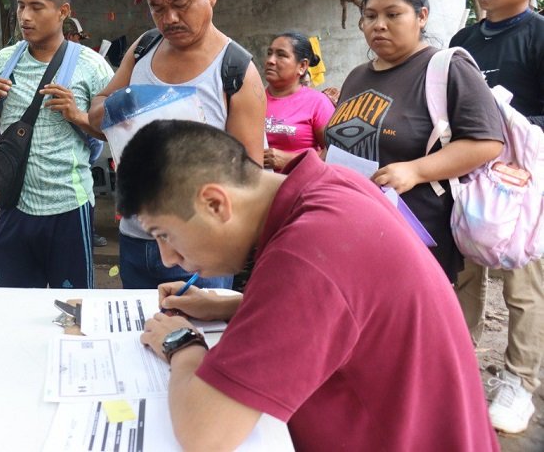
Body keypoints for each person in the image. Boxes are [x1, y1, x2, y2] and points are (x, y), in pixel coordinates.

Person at [120, 120, 498, 451]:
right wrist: (229, 306)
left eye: (164, 234)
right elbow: (354, 311)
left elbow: (206, 435)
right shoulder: (332, 184)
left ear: (216, 204)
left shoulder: (307, 253)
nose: (168, 257)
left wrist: (181, 345)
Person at [89, 0, 265, 290]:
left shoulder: (235, 71)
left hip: (201, 249)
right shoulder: (143, 49)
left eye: (181, 3)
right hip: (138, 238)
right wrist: (112, 108)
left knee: (199, 340)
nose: (169, 18)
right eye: (157, 7)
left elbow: (251, 178)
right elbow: (97, 111)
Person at [324, 0, 503, 284]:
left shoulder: (446, 68)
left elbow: (487, 142)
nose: (379, 25)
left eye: (393, 14)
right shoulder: (357, 76)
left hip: (417, 237)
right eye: (370, 15)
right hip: (355, 228)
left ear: (421, 16)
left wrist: (415, 170)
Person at [450, 0, 544, 434]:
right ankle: (458, 364)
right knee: (463, 272)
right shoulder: (463, 41)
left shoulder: (538, 36)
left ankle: (520, 382)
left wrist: (518, 131)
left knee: (523, 283)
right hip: (468, 176)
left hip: (522, 185)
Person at [0, 0, 113, 288]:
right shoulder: (4, 60)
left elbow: (116, 133)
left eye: (37, 7)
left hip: (68, 208)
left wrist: (77, 115)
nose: (24, 16)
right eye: (21, 5)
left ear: (63, 11)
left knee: (72, 310)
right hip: (13, 204)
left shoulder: (92, 67)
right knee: (8, 306)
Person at [62, 16, 108, 248]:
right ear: (69, 36)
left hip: (89, 135)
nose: (80, 43)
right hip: (76, 142)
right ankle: (87, 233)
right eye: (78, 38)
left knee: (84, 183)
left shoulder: (87, 62)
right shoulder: (64, 67)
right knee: (82, 183)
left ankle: (88, 232)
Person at [262, 31, 334, 171]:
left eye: (281, 55)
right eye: (269, 53)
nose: (270, 60)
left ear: (302, 66)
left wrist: (291, 161)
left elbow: (335, 153)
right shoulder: (253, 99)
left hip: (303, 186)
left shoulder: (317, 103)